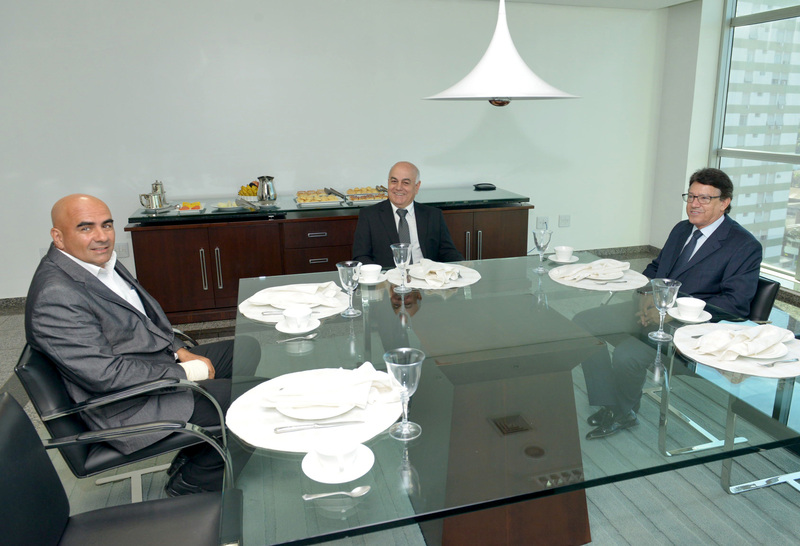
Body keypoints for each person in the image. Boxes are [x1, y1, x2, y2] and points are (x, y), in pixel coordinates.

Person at [24, 194, 260, 496]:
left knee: (246, 349)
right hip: (126, 404)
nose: (101, 237)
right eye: (85, 228)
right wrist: (185, 373)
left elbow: (146, 319)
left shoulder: (96, 262)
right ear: (58, 236)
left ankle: (199, 449)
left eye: (106, 225)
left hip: (150, 367)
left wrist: (179, 350)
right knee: (256, 400)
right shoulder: (56, 295)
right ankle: (195, 482)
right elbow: (104, 375)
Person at [578, 168, 762, 439]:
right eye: (691, 196)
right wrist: (645, 297)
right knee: (581, 324)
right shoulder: (682, 229)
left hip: (688, 328)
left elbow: (734, 304)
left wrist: (669, 310)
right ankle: (610, 402)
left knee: (627, 355)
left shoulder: (744, 245)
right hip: (652, 311)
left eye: (704, 198)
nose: (694, 204)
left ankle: (624, 413)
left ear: (725, 203)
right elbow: (655, 268)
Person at [352, 161, 463, 269]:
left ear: (417, 187)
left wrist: (463, 266)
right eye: (394, 181)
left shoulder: (433, 215)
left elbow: (448, 252)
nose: (398, 187)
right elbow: (361, 257)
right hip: (387, 278)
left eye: (405, 183)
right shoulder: (369, 216)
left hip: (425, 278)